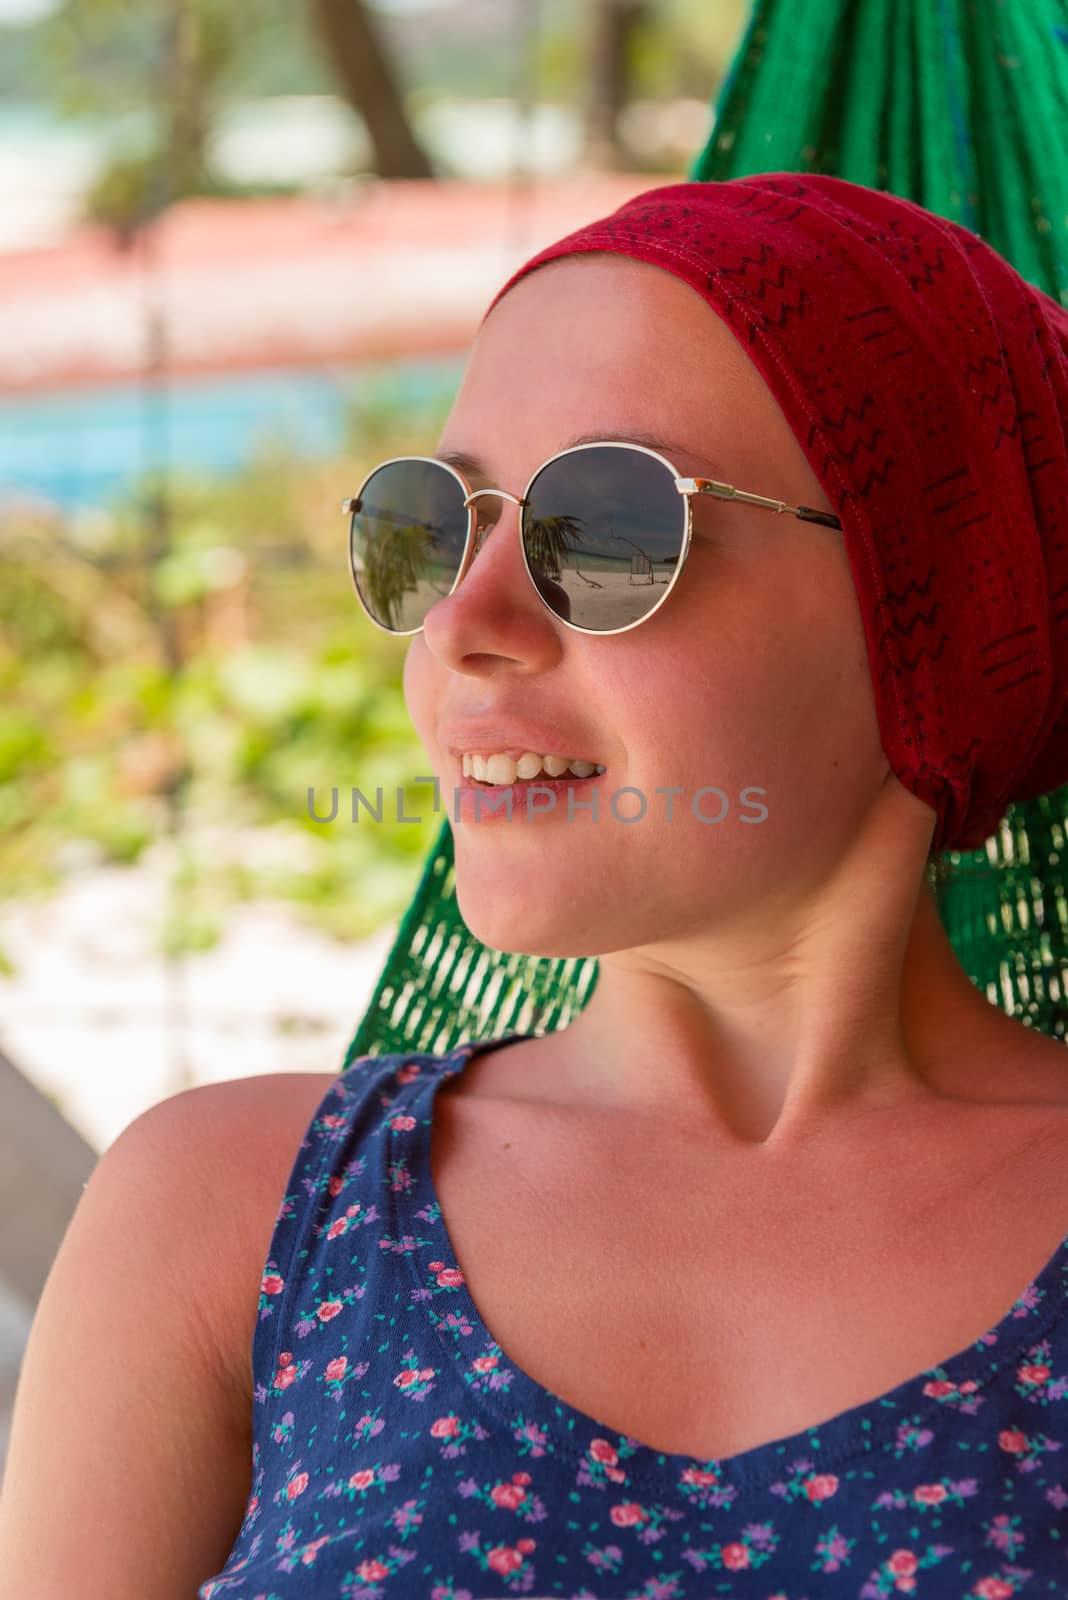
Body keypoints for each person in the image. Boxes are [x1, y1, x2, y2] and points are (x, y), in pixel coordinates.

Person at [3, 174, 1067, 1599]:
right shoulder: (233, 1221)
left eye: (610, 527)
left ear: (924, 603)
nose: (461, 625)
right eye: (433, 525)